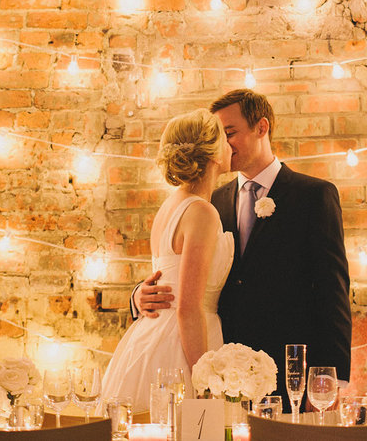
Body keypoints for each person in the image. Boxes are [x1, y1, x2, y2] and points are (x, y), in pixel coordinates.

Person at [134, 89, 352, 400]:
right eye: (218, 135)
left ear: (261, 128)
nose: (223, 143)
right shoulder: (211, 202)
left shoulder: (313, 196)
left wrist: (333, 378)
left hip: (289, 369)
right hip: (221, 363)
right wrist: (139, 295)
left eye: (230, 133)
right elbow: (183, 275)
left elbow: (334, 293)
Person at [102, 109, 235, 407]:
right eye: (225, 138)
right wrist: (204, 382)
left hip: (152, 334)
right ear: (213, 154)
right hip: (183, 343)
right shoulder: (201, 212)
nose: (231, 146)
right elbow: (188, 308)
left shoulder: (170, 207)